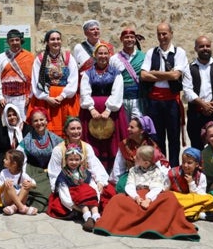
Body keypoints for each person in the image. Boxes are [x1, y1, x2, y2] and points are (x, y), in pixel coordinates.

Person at [94, 145, 199, 241]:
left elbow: (157, 187)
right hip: (136, 193)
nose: (134, 158)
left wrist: (148, 199)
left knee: (170, 198)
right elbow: (130, 185)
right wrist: (136, 197)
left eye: (138, 157)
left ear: (146, 162)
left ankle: (156, 225)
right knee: (117, 199)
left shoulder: (157, 171)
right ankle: (112, 224)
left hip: (152, 194)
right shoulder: (133, 170)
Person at [140, 22, 188, 166]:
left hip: (172, 101)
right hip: (154, 102)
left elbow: (175, 76)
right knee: (157, 137)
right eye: (159, 34)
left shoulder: (179, 52)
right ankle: (160, 166)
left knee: (173, 137)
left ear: (171, 34)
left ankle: (173, 167)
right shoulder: (151, 52)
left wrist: (154, 73)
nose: (162, 37)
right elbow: (143, 75)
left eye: (165, 33)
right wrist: (166, 74)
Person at [79, 42, 128, 171]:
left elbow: (117, 92)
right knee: (93, 140)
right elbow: (84, 91)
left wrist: (108, 110)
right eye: (100, 53)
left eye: (105, 53)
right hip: (91, 113)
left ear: (109, 55)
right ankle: (93, 170)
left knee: (112, 141)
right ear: (95, 55)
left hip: (112, 112)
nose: (103, 56)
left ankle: (113, 171)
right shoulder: (88, 73)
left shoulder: (116, 73)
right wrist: (91, 109)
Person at [47, 117, 109, 217]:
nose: (76, 131)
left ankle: (92, 210)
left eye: (78, 128)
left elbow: (95, 166)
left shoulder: (87, 147)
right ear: (66, 130)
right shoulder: (58, 150)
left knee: (104, 190)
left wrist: (100, 182)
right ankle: (80, 210)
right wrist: (58, 189)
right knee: (61, 200)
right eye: (72, 129)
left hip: (84, 180)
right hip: (67, 183)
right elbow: (54, 174)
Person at [182, 35, 213, 150]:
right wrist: (203, 104)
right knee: (196, 146)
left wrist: (212, 104)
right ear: (196, 49)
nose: (205, 48)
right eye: (201, 46)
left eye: (207, 46)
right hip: (196, 113)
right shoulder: (189, 68)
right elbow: (187, 90)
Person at [31, 30, 79, 138]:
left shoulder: (68, 57)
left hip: (65, 100)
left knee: (68, 128)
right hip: (45, 101)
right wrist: (47, 98)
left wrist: (62, 96)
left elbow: (73, 79)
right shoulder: (40, 59)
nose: (55, 41)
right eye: (52, 39)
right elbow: (35, 81)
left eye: (58, 39)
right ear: (47, 42)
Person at [18, 108, 63, 212]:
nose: (39, 123)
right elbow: (20, 157)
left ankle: (32, 205)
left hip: (49, 171)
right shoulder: (27, 140)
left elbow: (64, 155)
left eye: (42, 119)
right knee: (27, 183)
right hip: (32, 170)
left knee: (50, 185)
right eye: (36, 121)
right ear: (32, 124)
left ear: (46, 120)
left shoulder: (55, 139)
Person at [109, 115, 169, 193]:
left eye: (132, 127)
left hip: (150, 176)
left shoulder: (151, 146)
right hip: (132, 177)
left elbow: (161, 165)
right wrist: (118, 182)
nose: (128, 129)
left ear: (141, 131)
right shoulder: (124, 145)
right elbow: (118, 168)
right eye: (129, 126)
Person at [50, 143, 101, 231]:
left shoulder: (85, 172)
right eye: (71, 160)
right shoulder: (64, 174)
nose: (74, 162)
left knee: (89, 195)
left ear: (81, 160)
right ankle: (88, 218)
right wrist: (72, 205)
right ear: (66, 160)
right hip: (74, 197)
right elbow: (64, 192)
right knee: (82, 197)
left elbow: (92, 185)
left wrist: (97, 197)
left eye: (77, 159)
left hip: (88, 196)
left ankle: (96, 217)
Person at [0, 103, 33, 179]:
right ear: (6, 117)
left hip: (24, 160)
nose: (12, 117)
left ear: (18, 115)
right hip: (5, 161)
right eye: (9, 115)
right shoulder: (1, 132)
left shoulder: (27, 129)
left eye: (14, 114)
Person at [165, 147, 213, 221]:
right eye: (183, 162)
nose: (185, 165)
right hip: (178, 199)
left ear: (197, 164)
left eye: (189, 163)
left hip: (191, 200)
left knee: (210, 199)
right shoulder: (173, 173)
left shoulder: (201, 176)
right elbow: (166, 190)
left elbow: (200, 195)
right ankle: (195, 213)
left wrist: (191, 183)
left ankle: (185, 212)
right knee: (169, 196)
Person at [0, 28, 35, 120]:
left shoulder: (30, 57)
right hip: (6, 97)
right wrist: (0, 96)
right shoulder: (1, 58)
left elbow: (33, 78)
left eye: (17, 40)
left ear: (21, 41)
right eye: (12, 40)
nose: (15, 42)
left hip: (23, 98)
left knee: (23, 122)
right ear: (8, 42)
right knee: (7, 122)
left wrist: (30, 96)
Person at [109, 27, 146, 119]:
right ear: (121, 39)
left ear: (135, 39)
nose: (129, 39)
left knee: (137, 126)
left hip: (138, 99)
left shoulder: (143, 57)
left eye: (131, 37)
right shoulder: (114, 59)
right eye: (126, 37)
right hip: (121, 98)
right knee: (123, 126)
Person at [0, 149, 37, 216]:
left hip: (20, 198)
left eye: (6, 159)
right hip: (8, 200)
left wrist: (30, 185)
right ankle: (21, 207)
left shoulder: (22, 174)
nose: (4, 160)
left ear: (14, 164)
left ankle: (15, 207)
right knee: (9, 185)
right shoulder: (3, 172)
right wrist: (4, 184)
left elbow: (35, 185)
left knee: (26, 183)